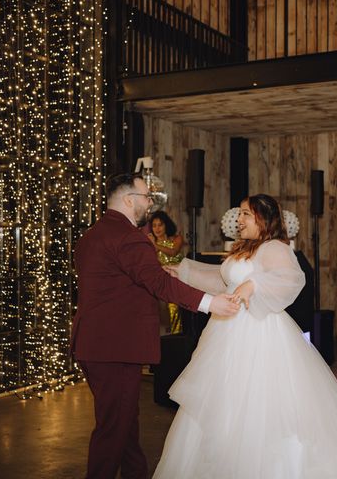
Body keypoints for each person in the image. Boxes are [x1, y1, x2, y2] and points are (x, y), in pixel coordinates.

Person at [153, 194, 337, 479]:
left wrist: (254, 284)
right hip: (227, 332)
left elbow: (292, 279)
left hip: (261, 332)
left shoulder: (274, 247)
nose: (240, 219)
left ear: (263, 218)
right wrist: (184, 272)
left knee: (262, 400)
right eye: (240, 214)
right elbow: (223, 281)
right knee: (222, 404)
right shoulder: (243, 249)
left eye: (246, 214)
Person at [71, 173, 239, 479]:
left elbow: (114, 280)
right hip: (116, 349)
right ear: (128, 200)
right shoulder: (130, 236)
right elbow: (157, 283)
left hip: (95, 345)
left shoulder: (92, 235)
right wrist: (209, 302)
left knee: (124, 422)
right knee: (113, 429)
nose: (150, 203)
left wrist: (154, 271)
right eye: (146, 197)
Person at [148, 211, 184, 334]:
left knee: (175, 309)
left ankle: (176, 336)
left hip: (178, 279)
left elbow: (173, 252)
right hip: (161, 281)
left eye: (160, 225)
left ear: (166, 225)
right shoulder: (149, 244)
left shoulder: (176, 238)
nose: (157, 228)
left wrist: (156, 246)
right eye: (154, 225)